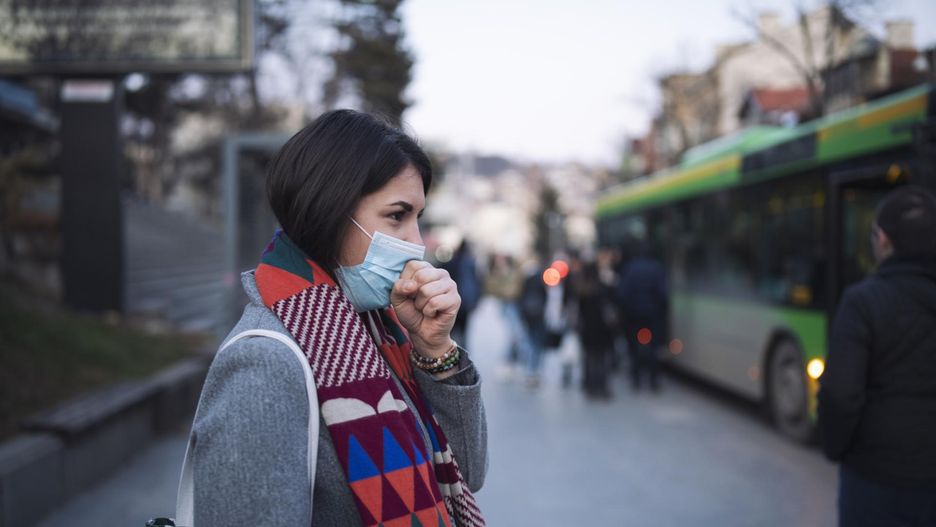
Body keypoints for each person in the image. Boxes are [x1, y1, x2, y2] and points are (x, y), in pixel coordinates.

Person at [184, 110, 487, 526]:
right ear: (330, 210)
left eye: (418, 218)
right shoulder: (265, 366)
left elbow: (464, 473)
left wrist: (435, 348)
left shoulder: (381, 328)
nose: (416, 242)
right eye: (397, 216)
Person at [818, 185, 936, 527]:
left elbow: (840, 394)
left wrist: (836, 448)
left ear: (882, 240)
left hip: (876, 479)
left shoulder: (862, 302)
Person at [615, 240, 668, 392]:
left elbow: (622, 293)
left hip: (633, 315)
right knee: (653, 347)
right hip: (652, 314)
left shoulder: (629, 268)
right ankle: (654, 380)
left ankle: (636, 379)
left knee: (634, 347)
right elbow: (663, 294)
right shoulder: (657, 268)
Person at [440, 240, 481, 347]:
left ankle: (451, 349)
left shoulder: (453, 261)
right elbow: (477, 282)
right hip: (467, 302)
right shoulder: (471, 263)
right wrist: (475, 300)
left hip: (453, 298)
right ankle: (462, 350)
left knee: (452, 328)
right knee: (464, 330)